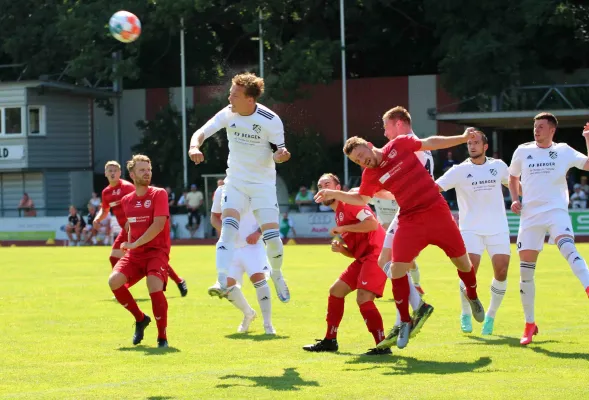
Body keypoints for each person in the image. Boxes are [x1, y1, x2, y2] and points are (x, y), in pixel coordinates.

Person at [315, 129, 484, 349]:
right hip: (410, 219)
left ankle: (472, 295)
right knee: (395, 269)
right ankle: (405, 320)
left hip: (436, 211)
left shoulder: (399, 145)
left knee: (463, 263)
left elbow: (429, 142)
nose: (362, 161)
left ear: (368, 143)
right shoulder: (370, 175)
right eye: (357, 161)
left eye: (361, 155)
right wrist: (335, 194)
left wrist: (461, 138)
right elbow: (362, 198)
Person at [188, 72, 291, 302]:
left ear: (250, 100)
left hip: (263, 185)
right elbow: (201, 132)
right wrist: (195, 146)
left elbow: (279, 153)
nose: (229, 98)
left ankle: (276, 273)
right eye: (230, 93)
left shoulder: (271, 119)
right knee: (228, 229)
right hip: (234, 183)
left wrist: (281, 155)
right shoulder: (228, 113)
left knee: (273, 238)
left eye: (234, 95)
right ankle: (222, 279)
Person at [508, 114, 589, 345]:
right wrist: (514, 199)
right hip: (530, 215)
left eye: (541, 127)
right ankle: (530, 324)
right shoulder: (522, 151)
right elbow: (512, 177)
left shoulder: (564, 150)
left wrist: (587, 138)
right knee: (525, 272)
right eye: (535, 127)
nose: (536, 130)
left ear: (552, 130)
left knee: (567, 248)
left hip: (556, 211)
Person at [303, 173, 389, 355]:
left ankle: (383, 345)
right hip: (363, 258)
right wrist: (343, 249)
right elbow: (355, 251)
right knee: (336, 291)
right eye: (319, 186)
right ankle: (330, 340)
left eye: (326, 184)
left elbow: (372, 224)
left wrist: (343, 229)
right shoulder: (339, 214)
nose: (322, 188)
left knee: (363, 298)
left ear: (338, 188)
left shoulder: (350, 202)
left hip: (376, 255)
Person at [436, 130, 510, 335]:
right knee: (470, 271)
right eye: (469, 143)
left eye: (476, 142)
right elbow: (435, 188)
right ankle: (466, 313)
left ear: (485, 147)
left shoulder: (499, 166)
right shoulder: (458, 170)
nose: (472, 146)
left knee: (502, 271)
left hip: (498, 228)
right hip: (470, 229)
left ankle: (491, 317)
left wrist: (530, 197)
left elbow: (515, 184)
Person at [93, 161, 188, 297]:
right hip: (124, 230)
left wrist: (133, 223)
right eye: (110, 170)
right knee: (114, 256)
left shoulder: (127, 187)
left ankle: (177, 280)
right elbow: (105, 209)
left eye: (115, 170)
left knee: (152, 257)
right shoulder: (106, 192)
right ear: (106, 173)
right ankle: (122, 286)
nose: (113, 173)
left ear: (120, 173)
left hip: (138, 228)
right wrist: (97, 219)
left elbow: (141, 200)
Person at [108, 155, 172, 348]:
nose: (147, 173)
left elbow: (159, 225)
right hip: (135, 255)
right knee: (114, 282)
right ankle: (140, 318)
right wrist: (128, 243)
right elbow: (131, 226)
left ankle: (162, 337)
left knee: (154, 286)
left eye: (149, 169)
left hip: (156, 252)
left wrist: (135, 244)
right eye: (142, 170)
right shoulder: (126, 200)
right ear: (133, 174)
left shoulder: (158, 194)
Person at [375, 107, 432, 297]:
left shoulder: (406, 146)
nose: (385, 133)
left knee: (390, 261)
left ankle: (415, 304)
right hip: (413, 209)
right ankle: (413, 302)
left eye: (386, 127)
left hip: (413, 211)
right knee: (394, 262)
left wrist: (366, 192)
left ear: (398, 124)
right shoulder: (420, 145)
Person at [209, 184, 276, 335]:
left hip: (252, 246)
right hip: (231, 248)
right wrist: (226, 232)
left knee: (259, 280)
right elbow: (214, 217)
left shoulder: (256, 187)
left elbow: (268, 214)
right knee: (225, 287)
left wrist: (258, 233)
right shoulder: (221, 190)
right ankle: (248, 314)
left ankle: (268, 325)